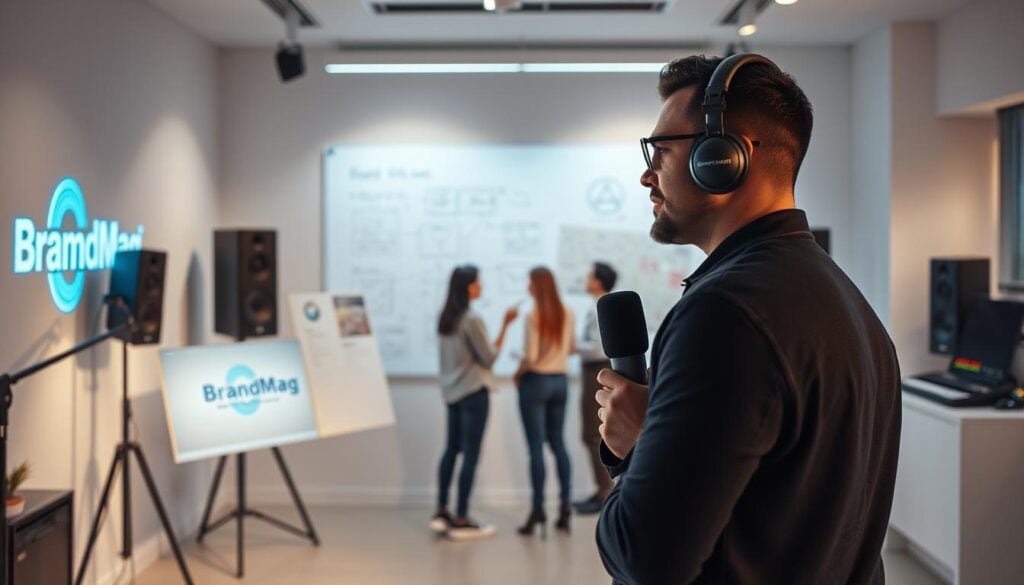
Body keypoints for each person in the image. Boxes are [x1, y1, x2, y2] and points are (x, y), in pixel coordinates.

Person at [595, 54, 901, 584]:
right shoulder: (847, 301)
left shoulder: (724, 316)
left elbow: (645, 560)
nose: (646, 175)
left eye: (662, 151)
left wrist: (639, 450)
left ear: (724, 157)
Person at [432, 265, 518, 541]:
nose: (481, 287)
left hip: (452, 393)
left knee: (451, 449)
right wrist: (505, 324)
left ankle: (442, 510)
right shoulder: (471, 319)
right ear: (469, 287)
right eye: (478, 283)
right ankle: (461, 518)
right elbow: (489, 358)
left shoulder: (446, 318)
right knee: (470, 454)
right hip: (473, 393)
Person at [515, 266, 575, 537]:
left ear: (537, 286)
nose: (527, 286)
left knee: (536, 448)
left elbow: (530, 356)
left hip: (536, 382)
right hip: (560, 382)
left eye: (529, 282)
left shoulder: (532, 315)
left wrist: (517, 373)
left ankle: (538, 509)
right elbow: (571, 348)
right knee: (559, 444)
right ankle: (564, 507)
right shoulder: (568, 312)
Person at [572, 261, 618, 515]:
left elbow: (600, 347)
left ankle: (605, 492)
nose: (585, 279)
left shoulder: (602, 306)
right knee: (591, 433)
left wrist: (574, 347)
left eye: (588, 276)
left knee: (592, 433)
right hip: (593, 369)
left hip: (596, 369)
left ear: (598, 281)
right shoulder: (598, 306)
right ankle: (602, 489)